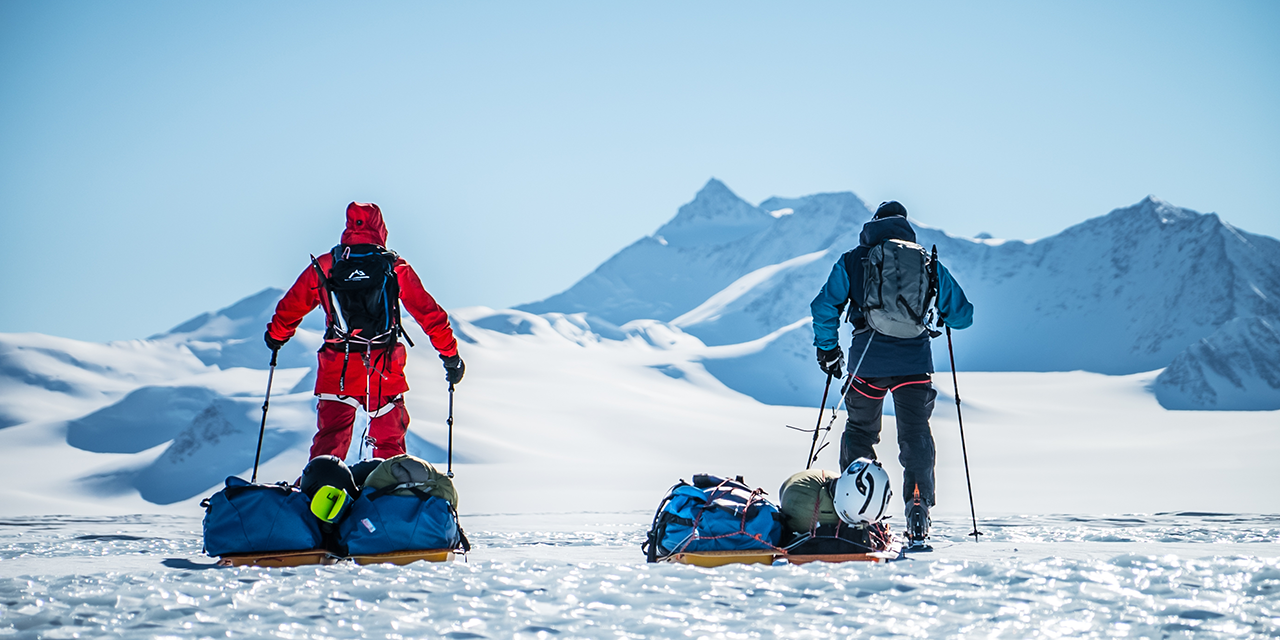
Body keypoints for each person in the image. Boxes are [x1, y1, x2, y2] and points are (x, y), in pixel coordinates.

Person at [809, 200, 973, 546]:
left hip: (867, 365)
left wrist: (828, 349)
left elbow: (824, 306)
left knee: (860, 432)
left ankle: (860, 511)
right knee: (915, 434)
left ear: (874, 224)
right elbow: (962, 316)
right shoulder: (927, 262)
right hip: (914, 365)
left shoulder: (853, 260)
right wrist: (940, 311)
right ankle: (918, 503)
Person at [265, 202, 465, 461]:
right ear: (381, 228)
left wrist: (276, 336)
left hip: (337, 366)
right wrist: (450, 356)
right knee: (389, 444)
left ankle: (320, 483)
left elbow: (292, 305)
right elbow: (429, 314)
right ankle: (388, 484)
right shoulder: (394, 267)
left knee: (329, 442)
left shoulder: (326, 265)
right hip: (383, 366)